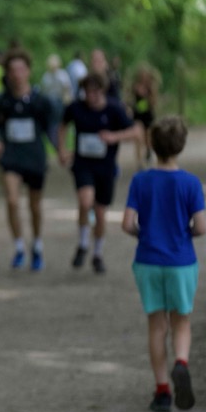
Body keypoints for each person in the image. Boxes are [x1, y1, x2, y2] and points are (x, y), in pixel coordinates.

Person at [122, 117, 206, 412]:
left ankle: (161, 392)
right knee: (181, 321)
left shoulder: (140, 181)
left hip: (148, 260)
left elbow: (127, 223)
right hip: (181, 262)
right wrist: (185, 233)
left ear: (151, 144)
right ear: (181, 146)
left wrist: (143, 234)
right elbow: (201, 227)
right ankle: (181, 363)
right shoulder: (190, 183)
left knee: (157, 326)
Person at [57, 73, 139, 274]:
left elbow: (136, 132)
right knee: (85, 202)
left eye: (95, 92)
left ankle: (97, 253)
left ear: (102, 91)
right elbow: (62, 125)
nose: (91, 96)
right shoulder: (76, 108)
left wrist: (114, 136)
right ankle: (83, 243)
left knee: (101, 212)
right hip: (83, 164)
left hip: (105, 167)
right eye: (87, 92)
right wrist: (62, 149)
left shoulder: (114, 109)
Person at [0, 49, 59, 270]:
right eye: (13, 70)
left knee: (34, 205)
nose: (17, 74)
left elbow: (51, 129)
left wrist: (60, 150)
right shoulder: (3, 101)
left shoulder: (40, 101)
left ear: (28, 71)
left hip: (34, 157)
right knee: (12, 200)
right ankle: (19, 246)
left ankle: (37, 244)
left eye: (21, 69)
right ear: (8, 73)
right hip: (11, 157)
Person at [129, 64, 160, 170]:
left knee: (148, 138)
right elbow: (131, 100)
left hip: (148, 115)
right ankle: (139, 162)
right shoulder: (135, 86)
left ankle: (148, 152)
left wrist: (148, 95)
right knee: (138, 138)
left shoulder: (151, 87)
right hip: (138, 115)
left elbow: (154, 102)